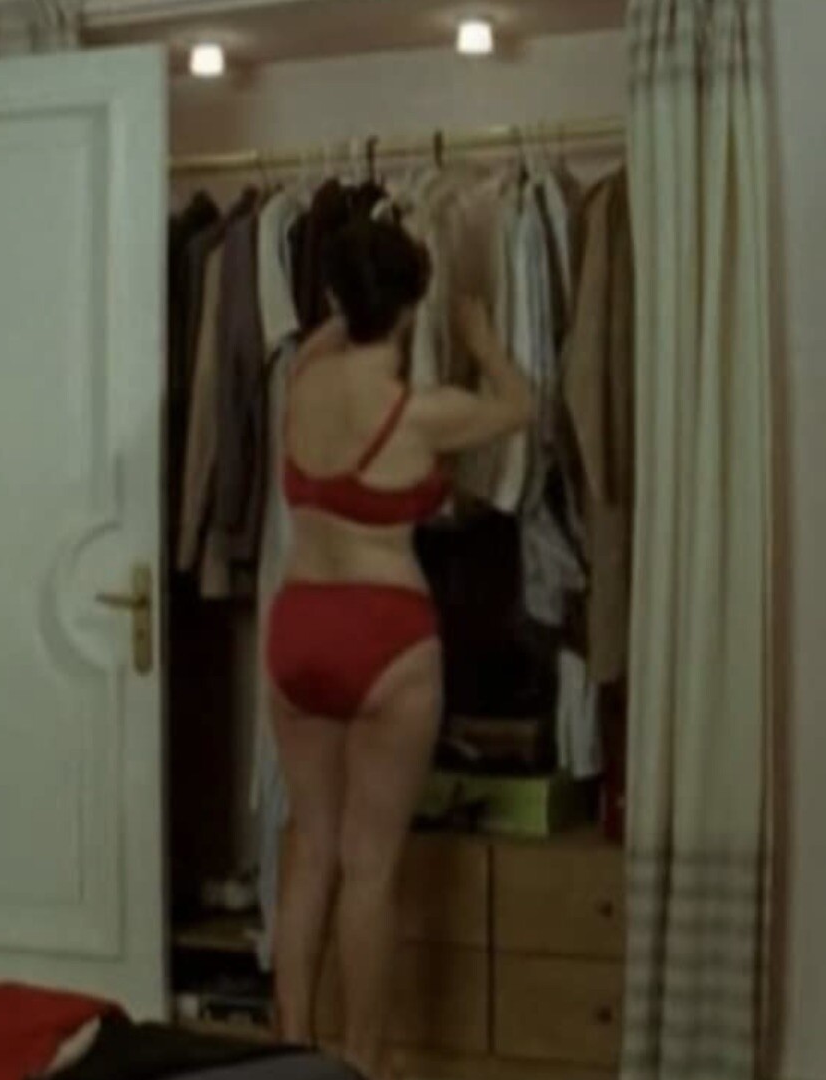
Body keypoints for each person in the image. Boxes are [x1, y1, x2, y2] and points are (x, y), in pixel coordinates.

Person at [265, 218, 532, 1080]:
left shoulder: (305, 375)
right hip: (385, 633)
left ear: (339, 298)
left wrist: (361, 300)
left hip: (298, 624)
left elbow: (340, 323)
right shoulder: (423, 414)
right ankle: (365, 1063)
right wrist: (482, 341)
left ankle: (288, 1053)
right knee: (369, 867)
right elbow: (522, 406)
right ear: (413, 304)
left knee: (311, 848)